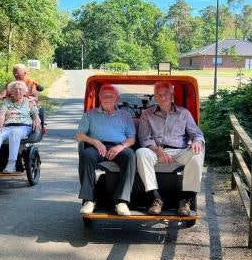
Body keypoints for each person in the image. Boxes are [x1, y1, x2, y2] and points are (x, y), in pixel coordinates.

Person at [136, 81, 205, 216]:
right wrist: (159, 152)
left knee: (198, 153)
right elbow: (145, 138)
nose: (162, 97)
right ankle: (156, 198)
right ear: (155, 97)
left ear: (172, 94)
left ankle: (185, 200)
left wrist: (197, 141)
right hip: (156, 150)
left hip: (180, 150)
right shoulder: (147, 114)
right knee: (141, 153)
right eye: (158, 95)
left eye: (165, 94)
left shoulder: (184, 113)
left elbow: (196, 133)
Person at [76, 84, 136, 215]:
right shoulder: (90, 114)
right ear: (99, 97)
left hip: (118, 147)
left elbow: (132, 138)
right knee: (86, 155)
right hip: (96, 147)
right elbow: (80, 135)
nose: (107, 98)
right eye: (104, 95)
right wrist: (94, 141)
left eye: (111, 96)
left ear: (117, 98)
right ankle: (89, 200)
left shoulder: (125, 116)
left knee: (130, 156)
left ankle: (121, 201)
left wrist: (121, 147)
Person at [0, 81, 41, 173]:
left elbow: (35, 114)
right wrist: (0, 127)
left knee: (15, 132)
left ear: (24, 92)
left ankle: (11, 164)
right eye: (15, 89)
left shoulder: (30, 102)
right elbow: (1, 115)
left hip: (24, 127)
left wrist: (36, 119)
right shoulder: (6, 102)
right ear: (11, 91)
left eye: (20, 89)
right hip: (8, 126)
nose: (18, 91)